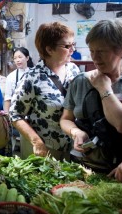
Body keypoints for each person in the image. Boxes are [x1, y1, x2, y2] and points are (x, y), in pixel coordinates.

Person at [60, 18, 122, 172]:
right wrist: (76, 132)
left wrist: (104, 89)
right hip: (83, 167)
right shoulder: (80, 81)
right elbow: (66, 119)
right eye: (92, 51)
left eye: (101, 51)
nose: (95, 57)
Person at [9, 22, 80, 161]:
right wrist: (36, 142)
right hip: (43, 149)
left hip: (70, 146)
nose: (73, 49)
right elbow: (15, 114)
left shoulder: (73, 69)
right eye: (67, 46)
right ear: (49, 49)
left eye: (73, 44)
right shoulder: (32, 77)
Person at [3, 47, 34, 112]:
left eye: (20, 57)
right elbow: (8, 98)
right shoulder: (11, 77)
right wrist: (6, 115)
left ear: (27, 58)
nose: (17, 60)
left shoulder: (34, 74)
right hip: (17, 113)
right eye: (15, 58)